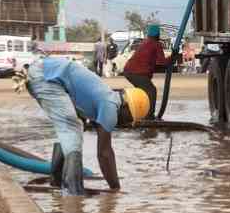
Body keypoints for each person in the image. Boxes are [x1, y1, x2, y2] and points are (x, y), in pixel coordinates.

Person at [17, 55, 149, 195]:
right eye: (128, 119)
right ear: (126, 108)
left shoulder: (105, 96)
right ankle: (73, 189)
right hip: (45, 77)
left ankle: (56, 180)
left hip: (42, 71)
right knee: (72, 129)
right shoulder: (111, 106)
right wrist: (115, 188)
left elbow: (78, 101)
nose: (124, 124)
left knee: (68, 128)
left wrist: (81, 119)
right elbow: (104, 153)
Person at [122, 25, 174, 120]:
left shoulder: (145, 43)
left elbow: (155, 63)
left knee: (144, 92)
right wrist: (172, 57)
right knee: (151, 91)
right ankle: (149, 116)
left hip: (129, 71)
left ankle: (140, 112)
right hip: (136, 73)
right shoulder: (156, 44)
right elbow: (161, 62)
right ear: (158, 35)